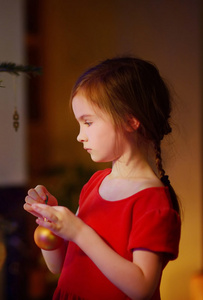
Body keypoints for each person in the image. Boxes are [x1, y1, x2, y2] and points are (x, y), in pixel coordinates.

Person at [24, 57, 181, 300]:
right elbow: (59, 266)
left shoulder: (153, 202)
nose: (80, 136)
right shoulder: (95, 183)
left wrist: (78, 232)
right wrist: (52, 222)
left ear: (131, 120)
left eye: (88, 122)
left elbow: (141, 288)